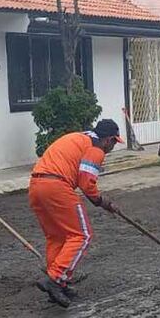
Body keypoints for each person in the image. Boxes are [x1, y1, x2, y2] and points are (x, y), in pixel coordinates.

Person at [29, 119, 123, 307]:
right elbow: (87, 182)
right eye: (114, 142)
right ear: (108, 139)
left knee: (57, 238)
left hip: (36, 186)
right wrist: (103, 202)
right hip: (57, 186)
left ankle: (58, 285)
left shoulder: (77, 137)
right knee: (82, 235)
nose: (112, 147)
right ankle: (55, 278)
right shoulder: (96, 149)